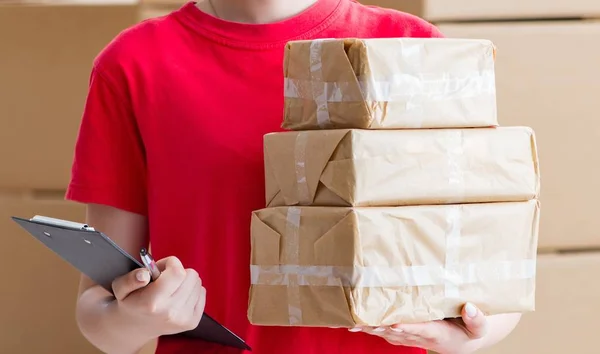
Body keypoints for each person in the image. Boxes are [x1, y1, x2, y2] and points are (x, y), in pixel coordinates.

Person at [66, 0, 522, 353]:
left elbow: (497, 282)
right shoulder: (133, 65)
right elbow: (98, 315)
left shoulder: (409, 47)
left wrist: (470, 336)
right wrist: (140, 318)